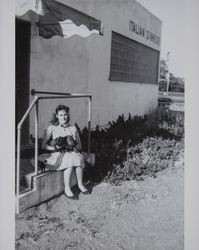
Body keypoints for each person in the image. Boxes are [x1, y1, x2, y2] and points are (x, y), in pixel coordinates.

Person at [41, 104, 89, 199]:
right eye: (61, 115)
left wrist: (72, 146)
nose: (64, 117)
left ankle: (80, 184)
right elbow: (43, 145)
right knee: (69, 161)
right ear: (57, 116)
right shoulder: (52, 128)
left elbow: (79, 145)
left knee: (78, 159)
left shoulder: (73, 128)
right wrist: (55, 148)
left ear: (68, 115)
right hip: (57, 154)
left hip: (71, 152)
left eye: (65, 114)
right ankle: (67, 189)